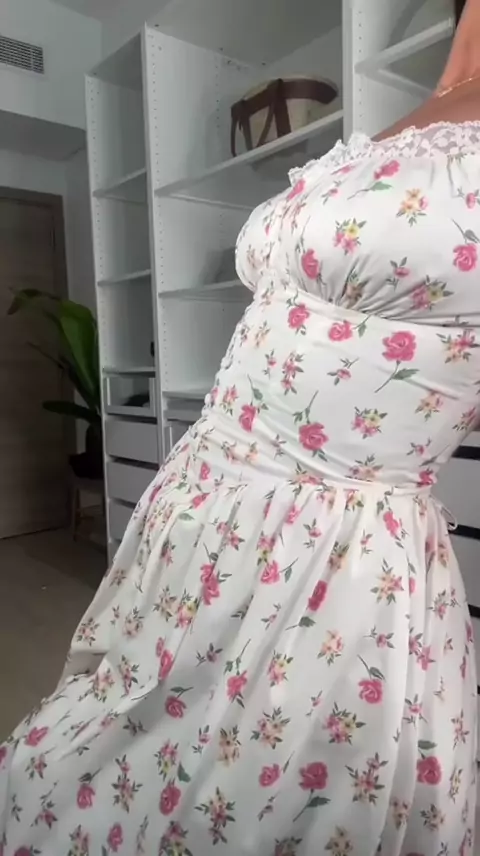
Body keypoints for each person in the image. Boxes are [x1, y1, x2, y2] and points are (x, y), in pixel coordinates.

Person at [0, 0, 478, 853]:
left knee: (256, 797)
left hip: (330, 557)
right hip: (205, 509)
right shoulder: (415, 116)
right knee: (123, 751)